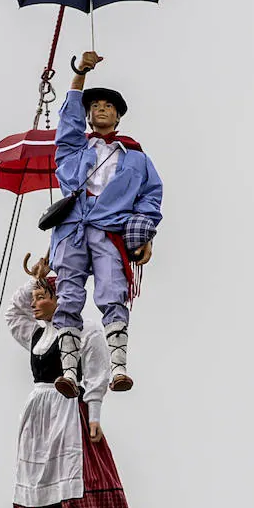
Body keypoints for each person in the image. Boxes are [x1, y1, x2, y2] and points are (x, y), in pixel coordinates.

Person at [5, 256, 131, 508]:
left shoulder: (85, 331)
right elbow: (11, 313)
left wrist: (95, 415)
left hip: (67, 409)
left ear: (59, 299)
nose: (34, 303)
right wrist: (37, 277)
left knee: (73, 475)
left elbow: (96, 375)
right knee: (42, 477)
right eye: (34, 297)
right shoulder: (38, 335)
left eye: (41, 297)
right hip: (39, 414)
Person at [50, 50, 163, 396]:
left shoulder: (137, 158)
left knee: (113, 292)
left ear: (117, 116)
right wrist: (79, 73)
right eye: (95, 105)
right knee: (68, 295)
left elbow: (151, 195)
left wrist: (144, 234)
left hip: (109, 230)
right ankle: (69, 372)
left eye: (108, 106)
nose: (101, 109)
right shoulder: (73, 149)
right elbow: (66, 122)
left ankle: (118, 368)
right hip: (72, 229)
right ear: (87, 114)